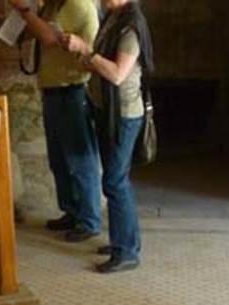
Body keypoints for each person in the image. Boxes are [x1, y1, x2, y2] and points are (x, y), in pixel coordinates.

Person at [64, 0, 153, 273]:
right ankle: (125, 242)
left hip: (124, 116)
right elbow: (104, 65)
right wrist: (86, 58)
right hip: (107, 111)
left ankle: (126, 251)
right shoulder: (113, 18)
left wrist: (85, 50)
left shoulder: (130, 27)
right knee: (116, 179)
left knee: (115, 182)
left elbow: (117, 74)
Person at [10, 0, 102, 243]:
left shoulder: (77, 4)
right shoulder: (51, 5)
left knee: (80, 160)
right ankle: (71, 211)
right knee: (58, 158)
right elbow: (37, 33)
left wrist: (24, 10)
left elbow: (50, 37)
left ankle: (89, 220)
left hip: (72, 89)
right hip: (54, 89)